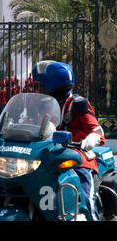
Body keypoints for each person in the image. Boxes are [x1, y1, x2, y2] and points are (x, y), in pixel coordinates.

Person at [32, 60, 105, 221]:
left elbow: (96, 129)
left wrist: (91, 138)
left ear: (53, 84)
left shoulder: (77, 105)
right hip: (51, 157)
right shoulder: (46, 105)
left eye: (41, 84)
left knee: (86, 198)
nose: (38, 88)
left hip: (77, 157)